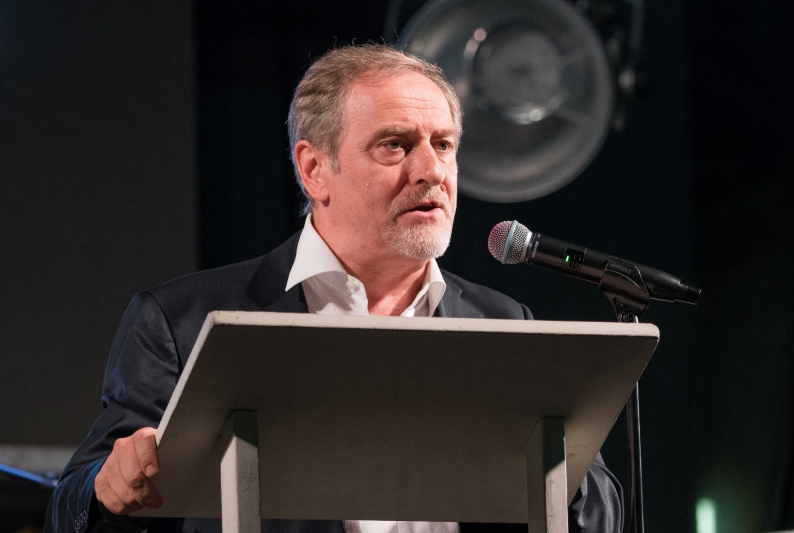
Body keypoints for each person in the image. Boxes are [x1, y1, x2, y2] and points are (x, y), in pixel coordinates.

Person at [46, 44, 623, 533]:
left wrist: (557, 470)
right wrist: (110, 490)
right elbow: (72, 507)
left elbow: (600, 514)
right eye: (395, 144)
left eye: (444, 144)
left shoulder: (504, 323)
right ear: (314, 169)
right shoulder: (181, 321)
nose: (432, 171)